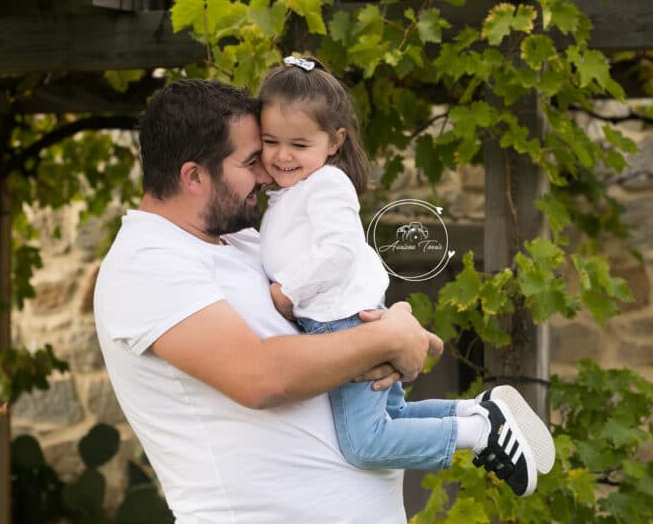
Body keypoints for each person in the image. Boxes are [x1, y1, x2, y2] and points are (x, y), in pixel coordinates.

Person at [94, 78, 443, 524]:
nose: (266, 174)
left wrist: (390, 331)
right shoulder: (146, 263)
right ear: (194, 175)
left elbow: (327, 325)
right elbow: (261, 376)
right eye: (251, 161)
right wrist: (385, 339)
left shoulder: (240, 242)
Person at [257, 56, 555, 497]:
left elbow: (338, 251)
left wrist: (288, 293)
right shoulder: (289, 191)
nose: (282, 155)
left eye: (299, 145)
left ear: (335, 141)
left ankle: (481, 434)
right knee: (389, 420)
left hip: (341, 321)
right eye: (270, 141)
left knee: (365, 443)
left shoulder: (326, 185)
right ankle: (480, 412)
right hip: (338, 319)